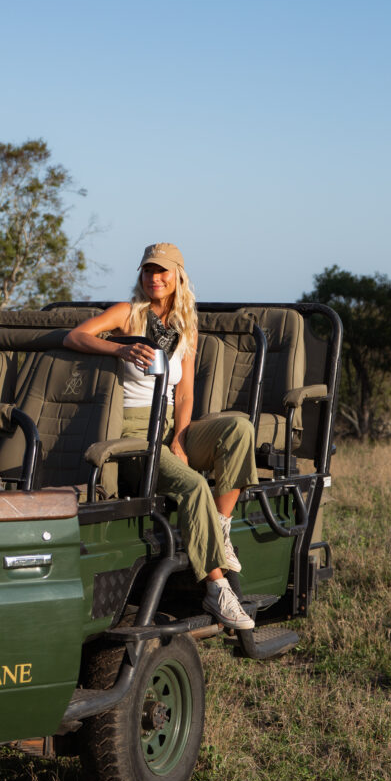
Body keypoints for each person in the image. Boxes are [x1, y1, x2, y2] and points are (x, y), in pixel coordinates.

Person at [63, 242, 258, 630]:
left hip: (169, 422)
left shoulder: (186, 324)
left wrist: (181, 438)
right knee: (193, 487)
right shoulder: (128, 314)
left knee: (240, 429)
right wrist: (119, 351)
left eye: (163, 271)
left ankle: (219, 528)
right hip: (134, 428)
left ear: (178, 277)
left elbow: (184, 393)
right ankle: (217, 590)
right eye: (149, 271)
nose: (155, 278)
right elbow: (75, 337)